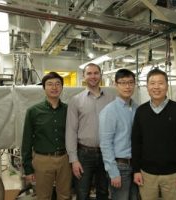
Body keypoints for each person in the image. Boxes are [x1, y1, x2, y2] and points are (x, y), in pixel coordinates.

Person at [131, 68, 176, 200]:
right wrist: (136, 170)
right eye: (152, 83)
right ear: (147, 86)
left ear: (167, 86)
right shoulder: (141, 111)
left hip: (173, 175)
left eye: (160, 83)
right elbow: (136, 143)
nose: (156, 87)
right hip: (146, 175)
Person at [65, 63, 115, 200]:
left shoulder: (111, 99)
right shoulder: (76, 100)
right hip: (83, 155)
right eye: (89, 73)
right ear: (84, 76)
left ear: (101, 75)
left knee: (104, 192)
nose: (93, 76)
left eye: (96, 73)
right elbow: (71, 131)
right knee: (82, 193)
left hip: (106, 154)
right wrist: (73, 159)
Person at [21, 72, 72, 200]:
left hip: (65, 159)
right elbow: (26, 141)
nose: (54, 87)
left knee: (65, 195)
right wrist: (28, 169)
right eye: (50, 84)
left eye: (57, 84)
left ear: (62, 87)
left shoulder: (69, 110)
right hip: (42, 160)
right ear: (44, 87)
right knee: (43, 196)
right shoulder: (33, 111)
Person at [99, 68, 139, 200]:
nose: (127, 86)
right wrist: (113, 172)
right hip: (120, 167)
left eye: (130, 82)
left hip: (136, 166)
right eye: (122, 82)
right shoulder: (109, 111)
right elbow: (105, 144)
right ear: (115, 85)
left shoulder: (136, 108)